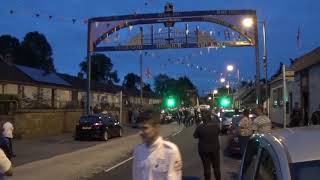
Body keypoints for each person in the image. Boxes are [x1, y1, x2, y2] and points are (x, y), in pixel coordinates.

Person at [194, 110, 221, 180]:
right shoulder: (216, 126)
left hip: (204, 150)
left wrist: (197, 125)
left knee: (206, 168)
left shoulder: (200, 127)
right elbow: (218, 132)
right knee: (216, 167)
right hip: (215, 149)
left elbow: (195, 136)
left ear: (203, 118)